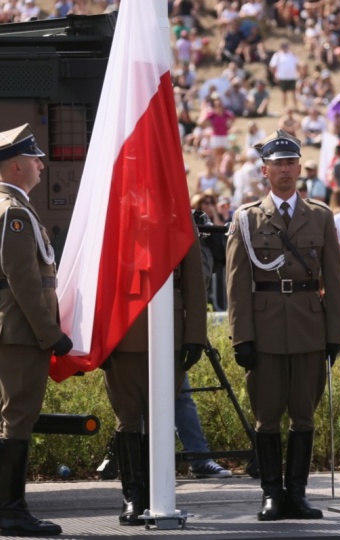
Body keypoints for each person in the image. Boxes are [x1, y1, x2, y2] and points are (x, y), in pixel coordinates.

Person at [226, 130, 340, 522]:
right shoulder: (246, 219)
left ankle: (297, 492)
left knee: (304, 415)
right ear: (264, 171)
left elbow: (336, 280)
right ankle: (272, 494)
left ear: (299, 168)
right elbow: (236, 285)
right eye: (276, 163)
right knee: (267, 416)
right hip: (265, 332)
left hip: (310, 328)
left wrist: (335, 334)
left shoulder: (320, 216)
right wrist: (241, 336)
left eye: (290, 162)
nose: (284, 170)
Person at [0, 124, 71, 537]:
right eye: (34, 159)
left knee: (14, 419)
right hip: (19, 331)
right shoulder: (14, 212)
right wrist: (50, 334)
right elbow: (25, 283)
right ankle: (11, 513)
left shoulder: (9, 205)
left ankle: (11, 511)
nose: (40, 164)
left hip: (15, 330)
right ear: (16, 167)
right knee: (17, 420)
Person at [104, 213, 208, 526]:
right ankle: (133, 497)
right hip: (122, 332)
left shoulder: (176, 213)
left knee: (161, 417)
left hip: (169, 335)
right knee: (128, 418)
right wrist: (98, 339)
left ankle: (158, 495)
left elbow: (193, 279)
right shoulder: (110, 212)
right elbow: (98, 278)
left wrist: (195, 335)